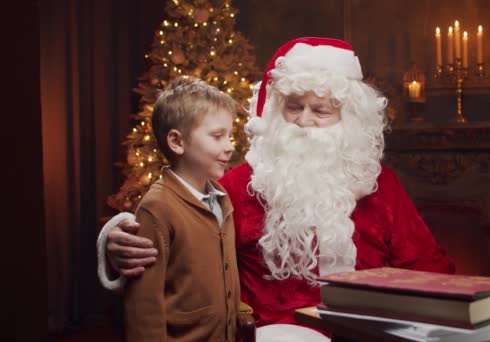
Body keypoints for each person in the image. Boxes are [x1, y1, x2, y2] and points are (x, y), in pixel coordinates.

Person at [98, 37, 455, 341]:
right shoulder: (238, 184)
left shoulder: (379, 185)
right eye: (294, 107)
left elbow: (427, 264)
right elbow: (179, 229)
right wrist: (116, 238)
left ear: (348, 119)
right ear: (274, 110)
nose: (304, 121)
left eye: (321, 111)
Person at [120, 76, 240, 341]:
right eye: (218, 136)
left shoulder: (222, 200)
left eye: (229, 136)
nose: (230, 146)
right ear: (177, 142)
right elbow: (143, 306)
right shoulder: (157, 208)